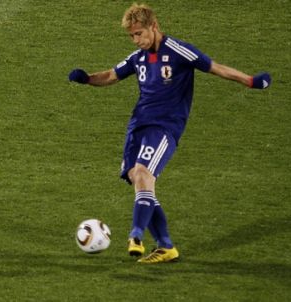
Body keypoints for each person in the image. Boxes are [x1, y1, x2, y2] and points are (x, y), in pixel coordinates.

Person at [68, 3, 271, 264]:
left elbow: (216, 68)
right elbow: (110, 75)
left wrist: (251, 81)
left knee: (143, 174)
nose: (136, 40)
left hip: (165, 127)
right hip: (138, 126)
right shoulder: (138, 57)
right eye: (131, 36)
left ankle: (136, 235)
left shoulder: (178, 51)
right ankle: (166, 247)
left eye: (139, 33)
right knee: (138, 180)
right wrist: (86, 78)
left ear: (153, 27)